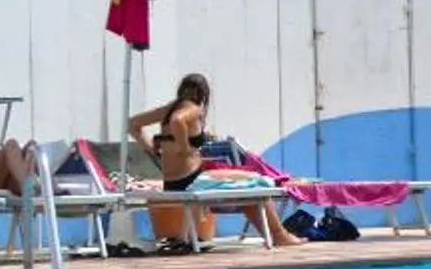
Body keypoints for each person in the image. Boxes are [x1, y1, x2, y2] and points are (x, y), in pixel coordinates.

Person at [128, 73, 302, 251]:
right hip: (191, 181)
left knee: (248, 193)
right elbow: (177, 120)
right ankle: (280, 235)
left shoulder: (168, 108)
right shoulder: (193, 109)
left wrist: (151, 148)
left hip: (173, 183)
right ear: (202, 93)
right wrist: (184, 148)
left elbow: (133, 123)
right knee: (256, 180)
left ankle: (275, 236)